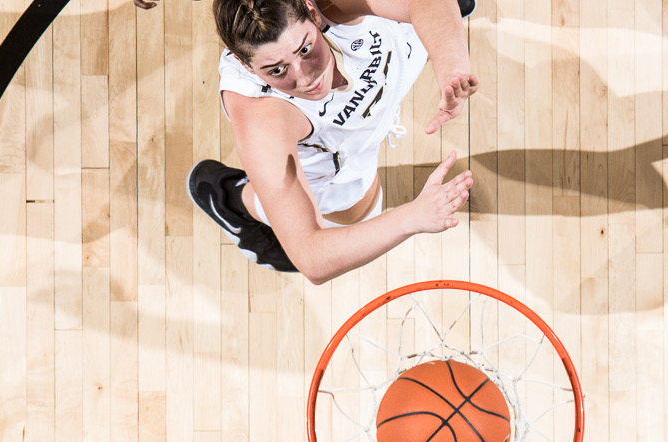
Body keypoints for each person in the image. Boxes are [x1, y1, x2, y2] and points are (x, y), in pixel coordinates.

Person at [158, 0, 479, 284]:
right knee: (360, 218)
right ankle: (231, 197)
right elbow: (313, 258)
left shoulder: (329, 4)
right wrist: (413, 216)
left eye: (305, 49)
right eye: (277, 69)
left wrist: (452, 65)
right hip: (335, 154)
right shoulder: (262, 118)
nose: (305, 77)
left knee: (437, 21)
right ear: (247, 67)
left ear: (313, 11)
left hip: (387, 78)